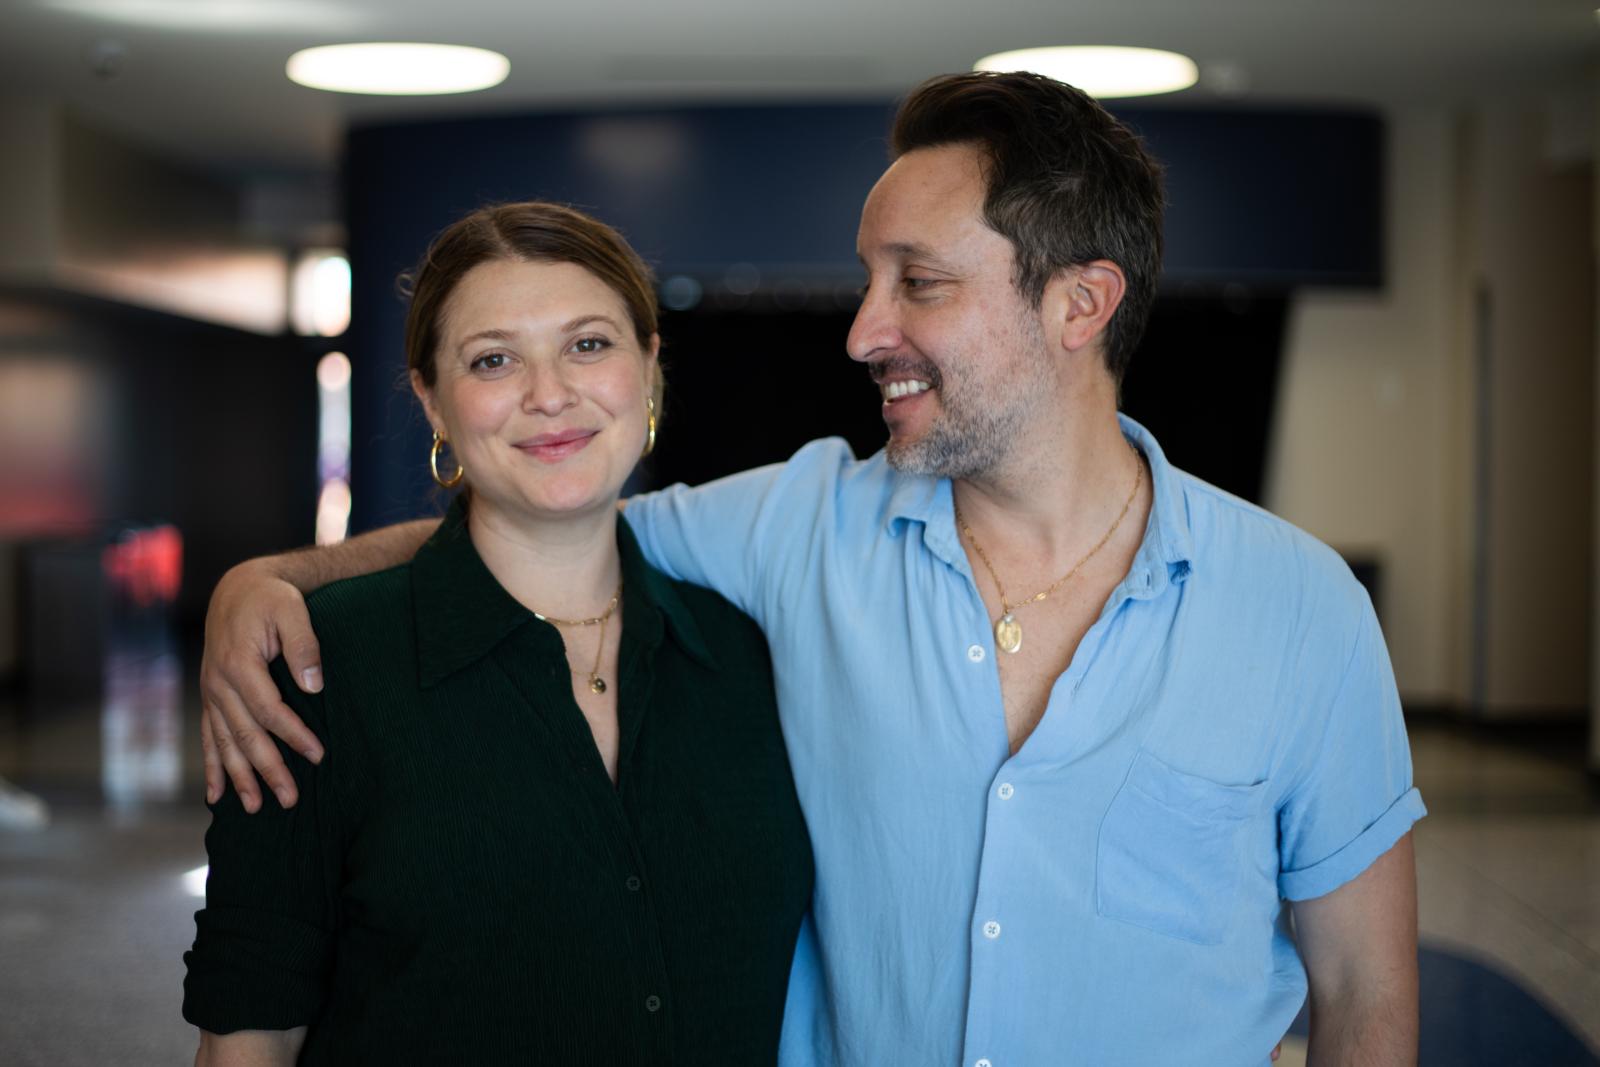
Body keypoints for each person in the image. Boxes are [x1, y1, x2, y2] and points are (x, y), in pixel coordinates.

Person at [200, 73, 1424, 1066]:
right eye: (868, 276)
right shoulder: (800, 531)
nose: (861, 329)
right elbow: (547, 520)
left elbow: (1366, 994)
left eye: (919, 283)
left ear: (1080, 304)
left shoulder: (1299, 605)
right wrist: (272, 580)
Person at [182, 202, 813, 1065]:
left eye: (588, 344)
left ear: (650, 366)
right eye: (494, 359)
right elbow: (251, 1027)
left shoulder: (747, 651)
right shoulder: (320, 666)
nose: (550, 393)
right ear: (432, 398)